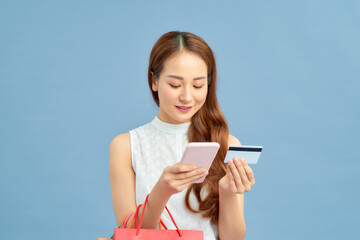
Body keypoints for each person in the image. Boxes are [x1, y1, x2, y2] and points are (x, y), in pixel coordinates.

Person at [109, 31, 255, 240]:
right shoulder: (126, 146)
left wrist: (229, 193)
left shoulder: (227, 144)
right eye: (175, 85)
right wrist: (161, 192)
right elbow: (130, 234)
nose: (187, 97)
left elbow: (233, 238)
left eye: (198, 85)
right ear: (154, 81)